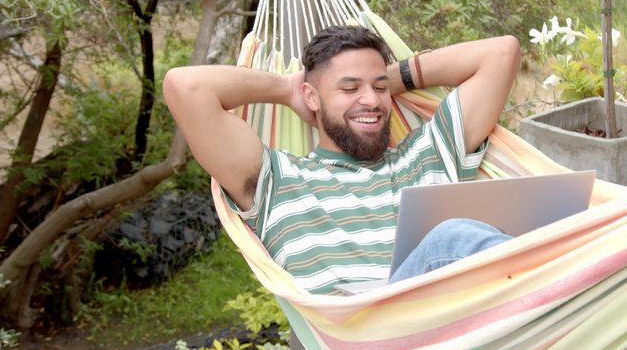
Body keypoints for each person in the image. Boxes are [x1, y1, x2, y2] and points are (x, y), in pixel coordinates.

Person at [163, 26, 519, 294]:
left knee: (554, 230)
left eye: (380, 89)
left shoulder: (426, 154)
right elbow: (186, 87)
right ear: (311, 97)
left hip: (470, 320)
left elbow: (501, 53)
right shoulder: (278, 180)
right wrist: (288, 90)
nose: (372, 101)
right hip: (368, 339)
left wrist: (381, 80)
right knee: (452, 237)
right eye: (349, 89)